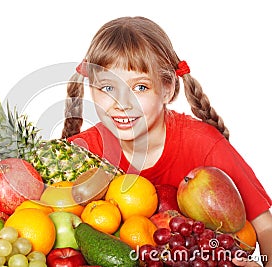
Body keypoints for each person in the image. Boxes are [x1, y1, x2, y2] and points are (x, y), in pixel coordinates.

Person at [62, 16, 272, 266]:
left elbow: (266, 228)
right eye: (107, 88)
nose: (122, 104)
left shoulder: (202, 143)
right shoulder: (82, 153)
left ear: (168, 89)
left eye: (140, 87)